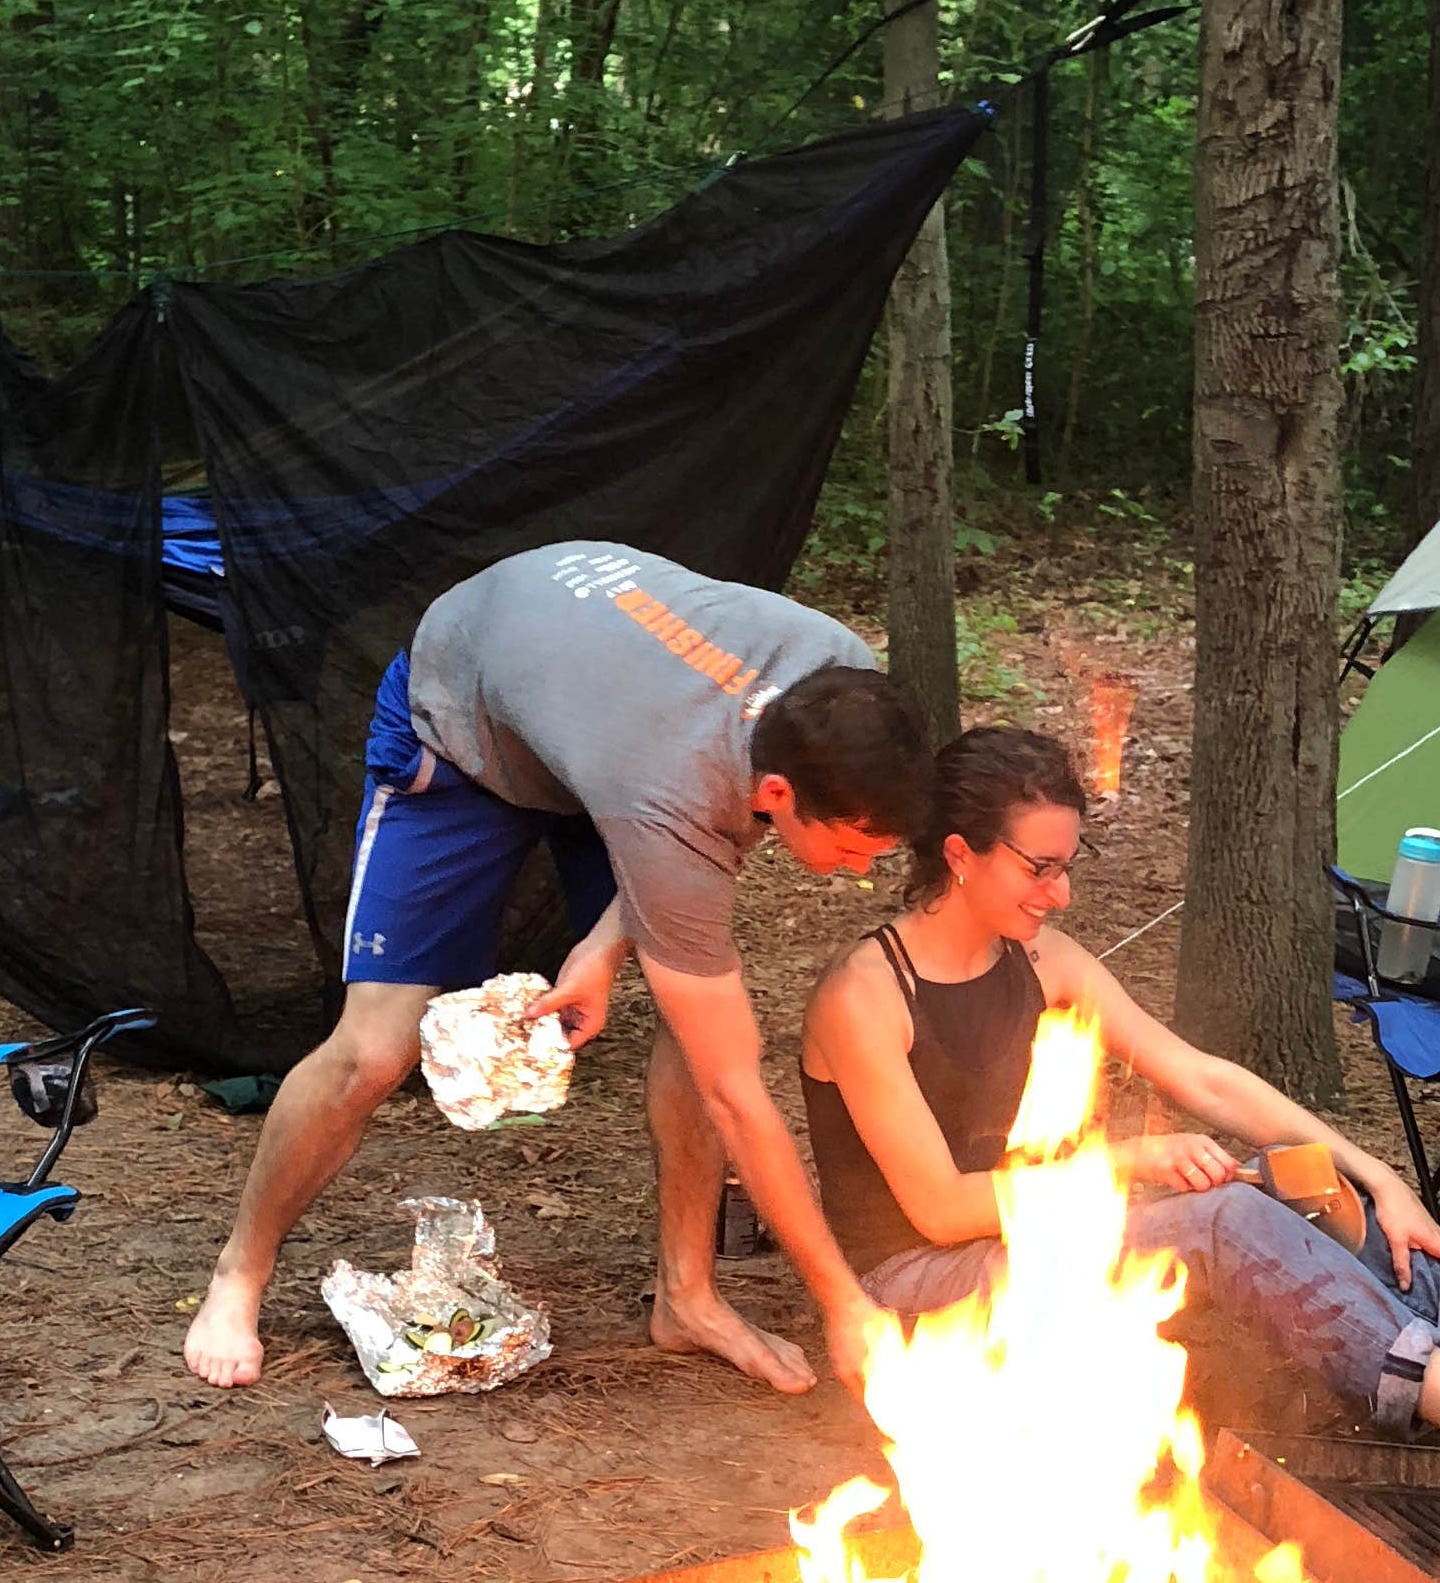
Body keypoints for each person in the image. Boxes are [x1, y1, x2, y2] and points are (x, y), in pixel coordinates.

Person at [799, 726, 1440, 1480]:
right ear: (960, 854)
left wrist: (1375, 1174)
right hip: (917, 1291)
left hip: (1037, 1236)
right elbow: (938, 1207)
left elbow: (1202, 1078)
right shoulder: (868, 997)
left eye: (1068, 866)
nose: (1061, 892)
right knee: (1224, 1216)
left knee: (1292, 1177)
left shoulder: (1041, 962)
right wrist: (1127, 1162)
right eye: (1040, 867)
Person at [184, 541, 934, 1395]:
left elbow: (686, 833)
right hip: (466, 716)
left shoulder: (841, 683)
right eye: (845, 848)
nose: (855, 873)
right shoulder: (670, 785)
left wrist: (604, 945)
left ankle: (687, 1299)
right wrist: (845, 1303)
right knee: (374, 1052)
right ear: (776, 796)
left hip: (611, 724)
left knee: (693, 1032)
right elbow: (736, 1084)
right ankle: (237, 1275)